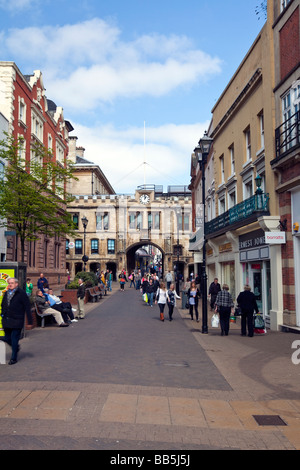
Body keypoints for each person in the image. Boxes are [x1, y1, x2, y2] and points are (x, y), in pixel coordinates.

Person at [1, 278, 33, 364]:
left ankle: (13, 358)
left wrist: (30, 321)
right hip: (7, 320)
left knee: (14, 338)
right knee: (7, 338)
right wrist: (3, 314)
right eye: (9, 283)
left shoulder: (21, 293)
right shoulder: (7, 293)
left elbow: (27, 307)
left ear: (16, 284)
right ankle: (16, 347)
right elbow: (3, 304)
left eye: (12, 283)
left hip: (17, 320)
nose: (10, 285)